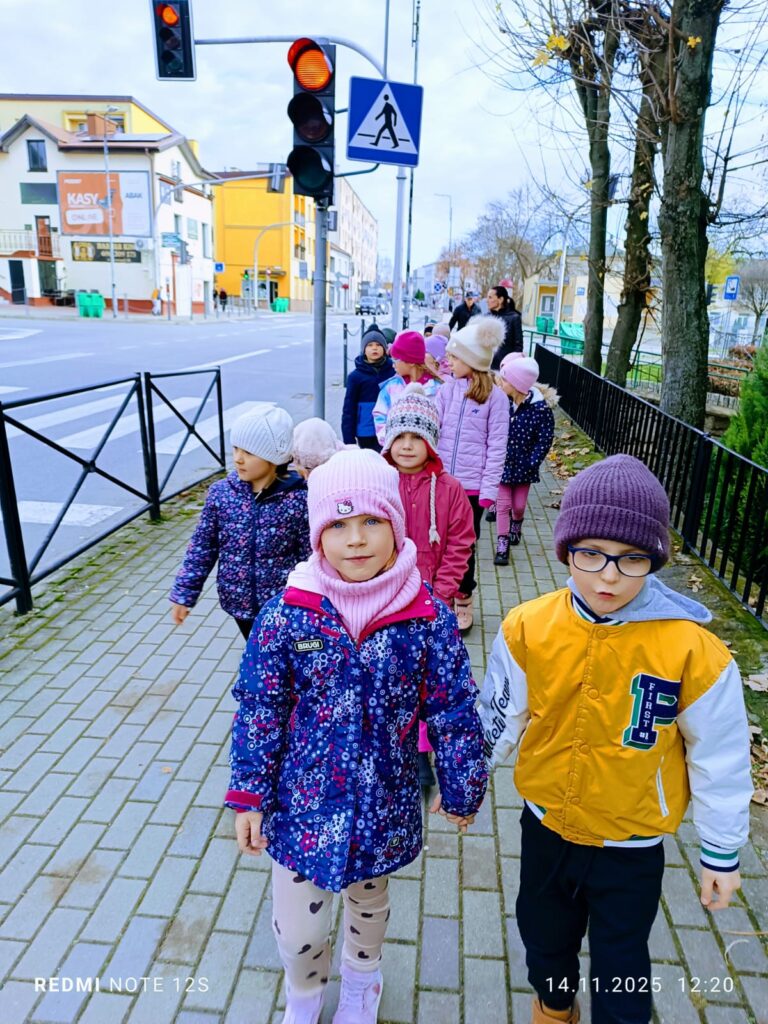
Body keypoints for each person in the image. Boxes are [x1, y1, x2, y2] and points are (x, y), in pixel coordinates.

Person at [479, 455, 752, 1024]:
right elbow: (499, 711)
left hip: (629, 844)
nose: (608, 576)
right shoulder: (529, 625)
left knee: (621, 965)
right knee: (543, 934)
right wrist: (466, 778)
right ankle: (554, 1006)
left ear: (654, 559)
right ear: (566, 550)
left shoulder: (693, 652)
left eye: (631, 560)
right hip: (546, 823)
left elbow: (720, 759)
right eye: (591, 554)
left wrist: (721, 852)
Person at [227, 448, 488, 1024]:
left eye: (371, 521)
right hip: (302, 803)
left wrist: (462, 783)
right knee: (300, 930)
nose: (356, 539)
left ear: (395, 524)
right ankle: (303, 992)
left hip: (383, 799)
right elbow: (260, 706)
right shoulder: (288, 612)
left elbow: (451, 708)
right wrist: (247, 792)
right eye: (338, 525)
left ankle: (362, 984)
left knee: (369, 903)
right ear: (319, 534)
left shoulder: (425, 615)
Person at [382, 384, 476, 788]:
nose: (406, 446)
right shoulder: (380, 480)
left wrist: (443, 593)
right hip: (384, 598)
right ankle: (389, 742)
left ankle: (422, 749)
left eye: (416, 437)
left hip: (429, 601)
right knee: (388, 675)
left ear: (431, 442)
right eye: (399, 436)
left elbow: (460, 542)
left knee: (425, 677)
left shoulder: (450, 490)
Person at [169, 406, 310, 641]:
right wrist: (184, 593)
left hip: (284, 604)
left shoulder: (298, 499)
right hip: (238, 601)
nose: (238, 458)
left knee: (280, 660)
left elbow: (310, 555)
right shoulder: (222, 494)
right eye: (235, 448)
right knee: (256, 650)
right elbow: (202, 547)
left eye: (249, 452)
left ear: (274, 457)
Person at [436, 317, 509, 631]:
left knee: (463, 546)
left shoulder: (496, 397)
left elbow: (497, 447)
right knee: (439, 542)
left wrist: (489, 490)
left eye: (453, 357)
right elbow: (432, 423)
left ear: (472, 360)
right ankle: (445, 597)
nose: (447, 362)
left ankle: (464, 598)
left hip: (472, 488)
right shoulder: (447, 389)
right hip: (441, 483)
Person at [493, 354, 557, 565]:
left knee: (518, 506)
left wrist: (533, 461)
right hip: (502, 465)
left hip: (524, 468)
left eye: (504, 380)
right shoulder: (501, 403)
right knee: (502, 505)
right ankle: (502, 545)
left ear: (517, 384)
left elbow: (544, 439)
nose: (500, 384)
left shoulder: (540, 410)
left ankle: (517, 524)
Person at [372, 331, 441, 444]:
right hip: (396, 451)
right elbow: (380, 415)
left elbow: (441, 423)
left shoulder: (437, 389)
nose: (392, 364)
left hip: (426, 452)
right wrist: (388, 441)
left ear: (410, 362)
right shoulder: (391, 387)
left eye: (395, 359)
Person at [341, 326, 396, 452]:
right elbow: (349, 410)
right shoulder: (355, 377)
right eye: (370, 345)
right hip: (366, 431)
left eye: (378, 344)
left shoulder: (393, 371)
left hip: (389, 428)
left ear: (385, 349)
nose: (374, 348)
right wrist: (348, 439)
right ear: (364, 350)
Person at [487, 285, 523, 369]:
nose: (487, 300)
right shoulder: (486, 317)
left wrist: (512, 365)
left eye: (490, 297)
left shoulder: (514, 317)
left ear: (500, 299)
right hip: (486, 364)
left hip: (504, 367)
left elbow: (518, 346)